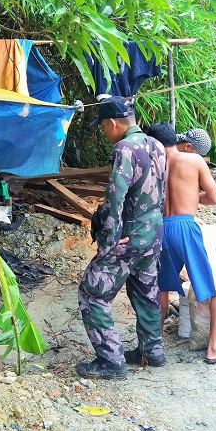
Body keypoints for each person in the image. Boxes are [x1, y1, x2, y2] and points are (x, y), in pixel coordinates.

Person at [76, 96, 167, 380]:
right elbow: (160, 191)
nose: (105, 132)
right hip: (153, 232)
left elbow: (115, 197)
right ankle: (152, 352)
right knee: (146, 291)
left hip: (128, 236)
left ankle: (111, 361)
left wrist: (107, 242)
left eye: (104, 126)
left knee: (92, 292)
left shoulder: (124, 148)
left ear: (113, 122)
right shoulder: (157, 145)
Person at [145, 122, 216, 364]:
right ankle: (214, 347)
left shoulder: (153, 163)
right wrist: (192, 197)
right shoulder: (193, 160)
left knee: (161, 287)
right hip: (185, 226)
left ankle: (155, 345)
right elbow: (215, 197)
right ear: (185, 145)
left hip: (160, 227)